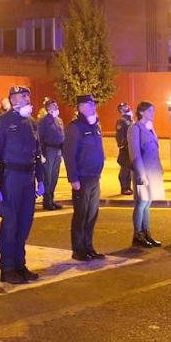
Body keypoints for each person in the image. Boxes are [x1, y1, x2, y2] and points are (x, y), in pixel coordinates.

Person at [0, 85, 45, 283]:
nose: (27, 98)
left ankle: (20, 264)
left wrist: (41, 179)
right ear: (12, 99)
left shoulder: (32, 123)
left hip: (28, 178)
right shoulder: (2, 122)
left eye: (27, 95)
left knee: (24, 223)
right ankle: (8, 267)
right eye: (22, 96)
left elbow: (37, 153)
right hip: (11, 177)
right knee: (10, 223)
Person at [63, 94, 106, 260]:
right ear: (80, 107)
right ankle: (78, 249)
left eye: (94, 104)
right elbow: (69, 154)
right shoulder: (75, 127)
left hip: (94, 176)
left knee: (92, 214)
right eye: (89, 104)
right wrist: (73, 178)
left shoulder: (95, 126)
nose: (93, 106)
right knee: (81, 214)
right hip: (82, 177)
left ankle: (89, 246)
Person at [128, 100, 164, 247]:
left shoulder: (149, 128)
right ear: (141, 112)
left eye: (153, 111)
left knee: (148, 202)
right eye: (150, 111)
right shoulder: (135, 128)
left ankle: (146, 232)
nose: (153, 113)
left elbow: (155, 150)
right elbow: (135, 153)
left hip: (153, 170)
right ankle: (138, 234)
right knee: (141, 202)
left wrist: (160, 169)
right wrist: (141, 174)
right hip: (143, 171)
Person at [37, 99, 65, 210]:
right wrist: (41, 153)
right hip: (48, 150)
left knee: (54, 176)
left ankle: (51, 199)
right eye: (54, 105)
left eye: (56, 105)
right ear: (48, 108)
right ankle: (47, 201)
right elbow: (39, 137)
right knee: (47, 176)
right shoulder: (44, 121)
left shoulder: (59, 120)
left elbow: (62, 135)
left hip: (58, 150)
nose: (56, 107)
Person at [113, 102, 134, 195]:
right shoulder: (122, 120)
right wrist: (121, 144)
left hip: (131, 147)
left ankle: (128, 187)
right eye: (124, 107)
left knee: (129, 168)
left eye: (127, 105)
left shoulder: (130, 119)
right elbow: (119, 134)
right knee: (125, 168)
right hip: (125, 148)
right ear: (121, 110)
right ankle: (124, 188)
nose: (127, 107)